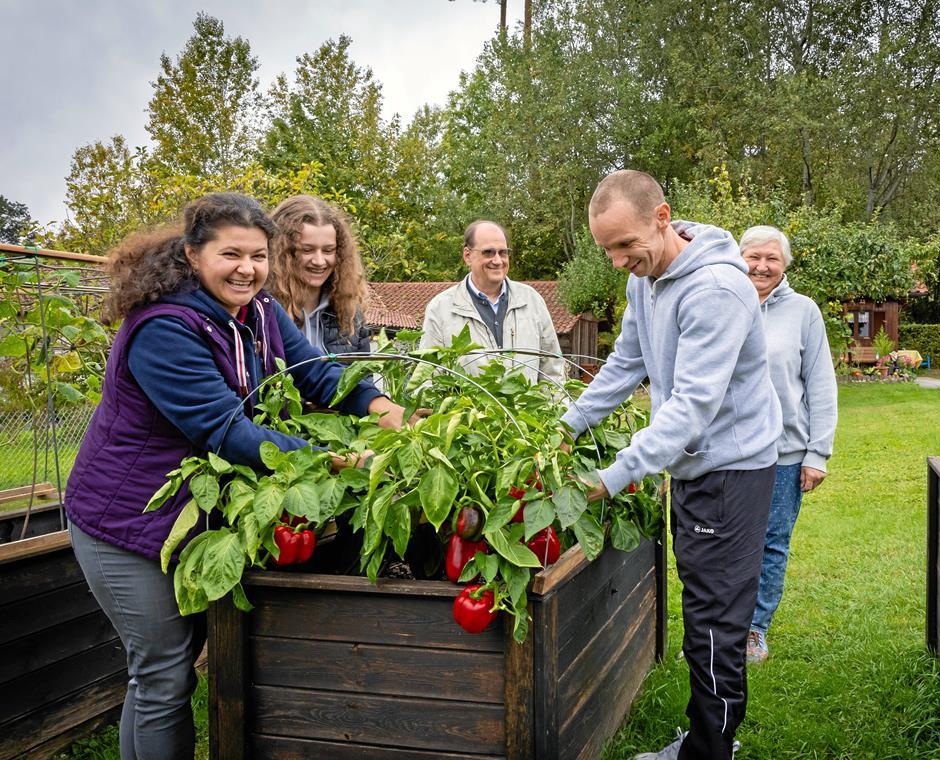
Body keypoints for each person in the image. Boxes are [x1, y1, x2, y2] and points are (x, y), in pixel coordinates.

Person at [63, 193, 414, 760]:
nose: (247, 269)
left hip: (185, 515)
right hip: (123, 521)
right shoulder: (165, 329)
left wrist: (391, 415)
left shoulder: (257, 312)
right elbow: (228, 431)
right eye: (231, 254)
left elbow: (318, 376)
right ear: (192, 254)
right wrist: (345, 462)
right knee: (163, 673)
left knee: (169, 671)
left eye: (258, 256)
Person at [559, 170, 782, 760]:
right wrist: (568, 424)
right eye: (606, 249)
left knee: (714, 621)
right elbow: (625, 363)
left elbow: (692, 407)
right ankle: (709, 742)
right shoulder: (646, 279)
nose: (616, 261)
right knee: (705, 605)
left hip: (731, 470)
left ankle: (711, 752)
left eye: (624, 246)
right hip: (694, 467)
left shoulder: (716, 289)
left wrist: (610, 477)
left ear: (663, 218)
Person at [740, 225, 838, 665]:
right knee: (728, 544)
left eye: (771, 259)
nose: (761, 266)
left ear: (785, 264)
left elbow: (821, 385)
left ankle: (755, 630)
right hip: (732, 452)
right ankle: (723, 627)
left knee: (771, 543)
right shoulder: (724, 301)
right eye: (753, 256)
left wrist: (817, 453)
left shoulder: (804, 311)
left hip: (785, 453)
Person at [419, 219, 564, 383]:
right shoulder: (441, 308)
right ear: (467, 256)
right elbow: (428, 377)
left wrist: (550, 407)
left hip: (528, 408)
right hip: (468, 408)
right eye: (488, 252)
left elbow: (553, 370)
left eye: (503, 252)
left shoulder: (531, 300)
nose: (497, 260)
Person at [268, 194, 371, 356]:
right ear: (282, 253)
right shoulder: (261, 309)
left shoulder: (350, 314)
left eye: (328, 250)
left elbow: (363, 378)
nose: (319, 261)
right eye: (307, 250)